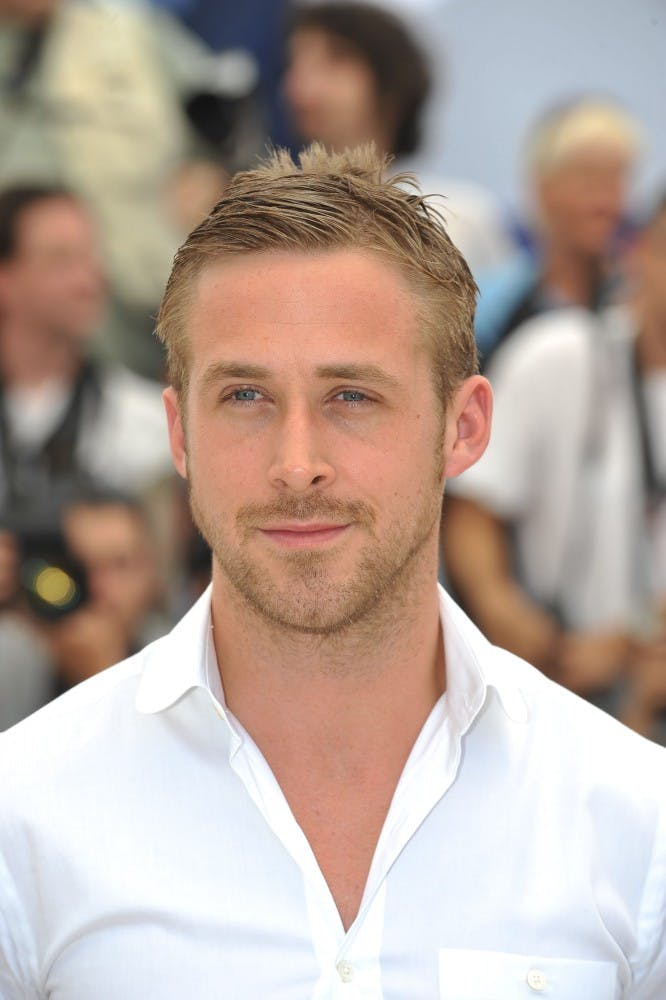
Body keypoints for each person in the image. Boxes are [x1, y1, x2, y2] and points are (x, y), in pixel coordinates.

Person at [0, 145, 664, 996]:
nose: (297, 463)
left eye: (352, 396)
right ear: (178, 436)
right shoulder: (26, 813)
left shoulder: (635, 823)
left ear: (463, 428)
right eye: (245, 396)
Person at [443, 195, 666, 731]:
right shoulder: (559, 354)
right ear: (636, 253)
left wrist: (636, 646)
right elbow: (472, 509)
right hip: (551, 684)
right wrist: (507, 618)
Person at [283, 1, 513, 277]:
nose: (302, 87)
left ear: (391, 84)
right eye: (295, 64)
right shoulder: (270, 218)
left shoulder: (459, 218)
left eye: (335, 61)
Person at [0, 184, 174, 531]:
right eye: (61, 260)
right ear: (5, 279)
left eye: (91, 256)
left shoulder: (151, 426)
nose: (89, 280)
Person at [475, 97, 641, 365]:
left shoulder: (636, 309)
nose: (606, 201)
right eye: (588, 176)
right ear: (543, 187)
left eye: (617, 178)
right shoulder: (492, 305)